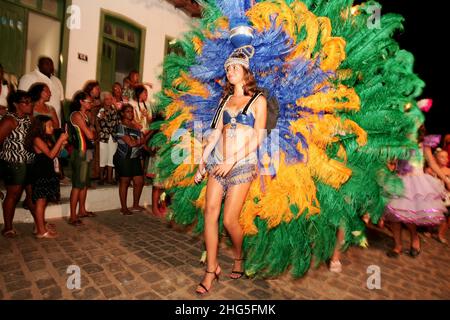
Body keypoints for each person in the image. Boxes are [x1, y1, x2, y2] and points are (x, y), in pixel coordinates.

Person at [193, 47, 267, 294]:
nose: (230, 71)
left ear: (246, 71)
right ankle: (211, 269)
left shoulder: (259, 101)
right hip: (217, 162)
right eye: (227, 69)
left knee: (229, 220)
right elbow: (216, 133)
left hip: (242, 164)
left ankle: (238, 257)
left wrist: (232, 161)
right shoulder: (224, 101)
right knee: (210, 213)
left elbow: (257, 138)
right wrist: (202, 161)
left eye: (235, 67)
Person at [384, 131, 449, 258]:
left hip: (415, 182)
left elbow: (432, 163)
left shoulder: (423, 144)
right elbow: (391, 160)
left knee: (408, 216)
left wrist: (445, 180)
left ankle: (415, 237)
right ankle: (398, 245)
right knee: (393, 215)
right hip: (398, 180)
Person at [25, 115, 69, 238]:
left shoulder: (47, 138)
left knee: (43, 202)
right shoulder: (37, 139)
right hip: (40, 172)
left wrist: (62, 144)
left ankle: (39, 227)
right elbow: (50, 155)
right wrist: (60, 140)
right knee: (40, 201)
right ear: (40, 127)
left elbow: (56, 154)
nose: (52, 127)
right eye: (49, 126)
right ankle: (41, 231)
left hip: (48, 171)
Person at [0, 91, 36, 238]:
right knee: (13, 195)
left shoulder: (29, 119)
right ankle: (8, 227)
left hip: (29, 161)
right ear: (16, 104)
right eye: (26, 102)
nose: (30, 104)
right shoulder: (9, 120)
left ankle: (39, 223)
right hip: (14, 163)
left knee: (33, 194)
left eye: (30, 101)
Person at [113, 104, 151, 215]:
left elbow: (141, 141)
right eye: (128, 111)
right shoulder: (120, 127)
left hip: (135, 157)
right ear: (122, 114)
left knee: (139, 181)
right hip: (123, 157)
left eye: (132, 111)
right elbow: (131, 143)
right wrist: (141, 140)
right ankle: (123, 208)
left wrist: (149, 150)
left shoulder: (135, 126)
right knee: (124, 181)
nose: (130, 113)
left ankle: (135, 205)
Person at [68, 91, 97, 226]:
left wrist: (92, 131)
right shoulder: (76, 115)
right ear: (81, 101)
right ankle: (72, 216)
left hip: (87, 151)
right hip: (80, 152)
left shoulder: (85, 115)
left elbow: (93, 132)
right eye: (88, 101)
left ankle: (82, 210)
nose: (91, 103)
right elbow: (91, 135)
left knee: (84, 183)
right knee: (78, 185)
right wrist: (92, 131)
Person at [18, 57, 64, 127]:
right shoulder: (28, 77)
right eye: (46, 64)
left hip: (54, 127)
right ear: (39, 65)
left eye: (51, 64)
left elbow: (61, 103)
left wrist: (63, 123)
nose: (50, 66)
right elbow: (21, 100)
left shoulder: (57, 81)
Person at [425, 148, 450, 244]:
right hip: (434, 197)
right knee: (431, 214)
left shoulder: (449, 171)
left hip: (447, 199)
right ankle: (429, 230)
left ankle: (440, 234)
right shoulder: (429, 170)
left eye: (446, 157)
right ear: (434, 158)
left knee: (446, 217)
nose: (445, 159)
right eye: (442, 157)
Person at [97, 92, 120, 185]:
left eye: (111, 99)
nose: (109, 101)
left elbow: (119, 120)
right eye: (107, 99)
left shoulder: (114, 110)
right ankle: (101, 178)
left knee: (111, 157)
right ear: (103, 100)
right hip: (104, 136)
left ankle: (110, 178)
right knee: (103, 157)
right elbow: (97, 121)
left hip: (113, 136)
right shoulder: (101, 111)